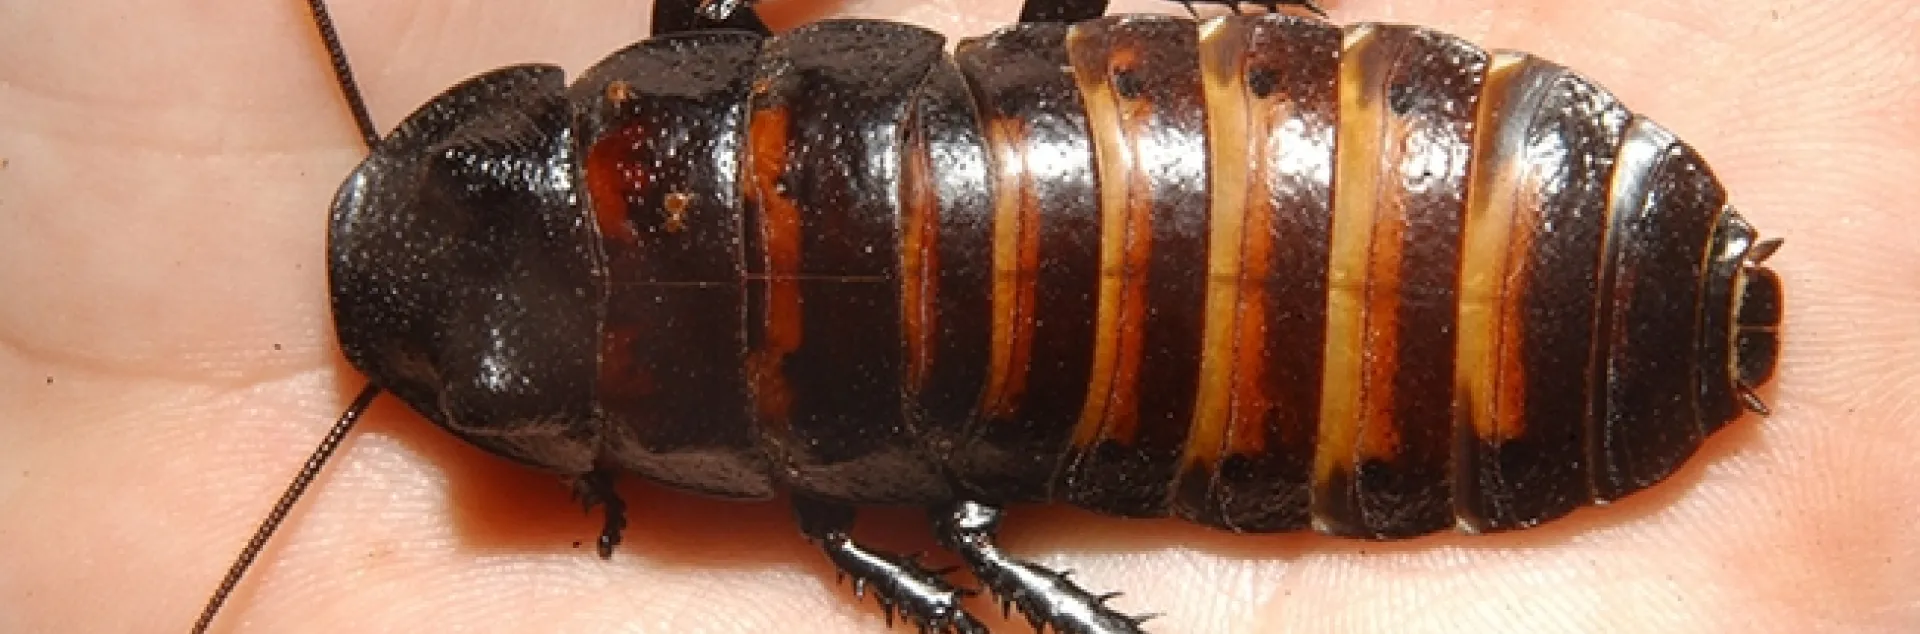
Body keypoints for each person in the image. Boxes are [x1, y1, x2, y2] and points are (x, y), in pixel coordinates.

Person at [3, 0, 1914, 631]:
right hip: (1227, 144)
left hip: (1440, 234)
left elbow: (910, 552)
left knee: (955, 537)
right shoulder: (695, 89)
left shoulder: (805, 488)